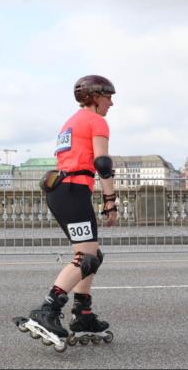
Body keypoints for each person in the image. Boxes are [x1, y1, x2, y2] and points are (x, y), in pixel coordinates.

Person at [14, 75, 118, 350]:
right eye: (108, 96)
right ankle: (47, 310)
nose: (111, 103)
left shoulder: (70, 122)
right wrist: (110, 200)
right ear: (95, 96)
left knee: (92, 255)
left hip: (61, 190)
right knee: (87, 257)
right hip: (72, 190)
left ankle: (82, 314)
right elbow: (103, 163)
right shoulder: (97, 121)